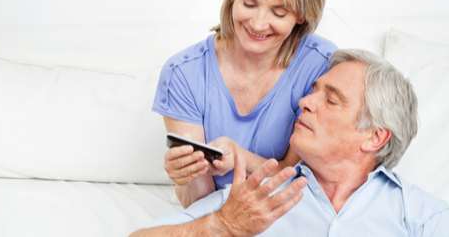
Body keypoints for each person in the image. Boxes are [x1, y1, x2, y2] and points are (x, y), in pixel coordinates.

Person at [133, 49, 449, 236]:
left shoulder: (422, 216)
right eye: (313, 91)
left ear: (375, 136)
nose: (305, 102)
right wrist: (223, 224)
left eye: (332, 99)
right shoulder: (255, 198)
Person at [153, 0, 336, 207]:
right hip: (216, 216)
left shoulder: (321, 67)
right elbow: (199, 200)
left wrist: (239, 156)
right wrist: (186, 175)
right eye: (249, 4)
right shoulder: (183, 74)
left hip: (290, 213)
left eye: (279, 12)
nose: (259, 23)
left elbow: (307, 180)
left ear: (301, 15)